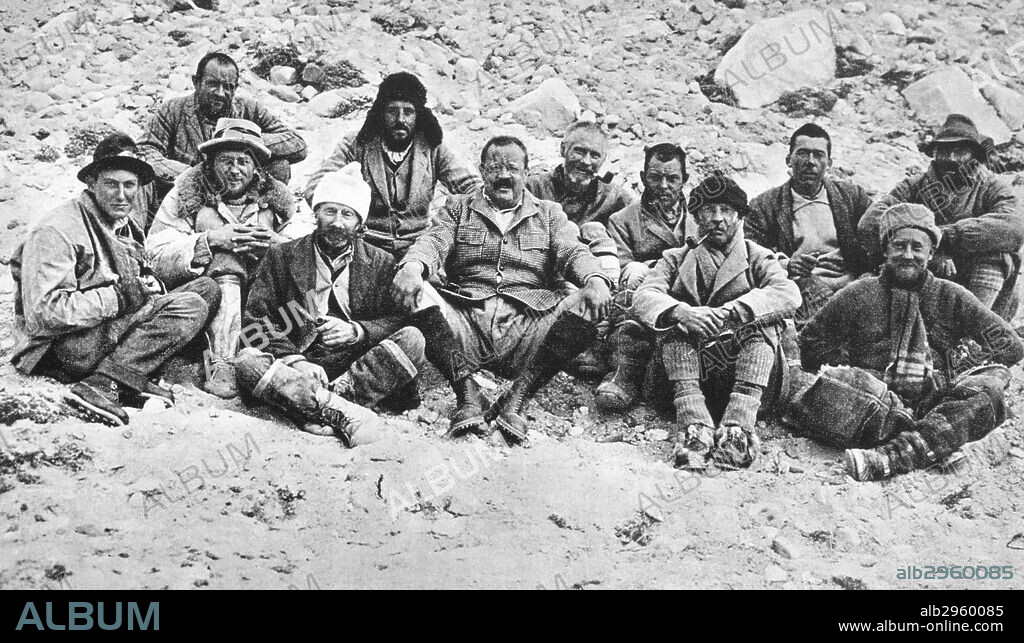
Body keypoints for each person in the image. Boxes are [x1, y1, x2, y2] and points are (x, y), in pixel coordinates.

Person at [233, 163, 487, 444]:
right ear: (316, 214)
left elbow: (398, 319)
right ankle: (338, 411)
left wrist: (358, 331)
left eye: (347, 214)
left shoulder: (380, 262)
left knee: (413, 339)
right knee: (247, 361)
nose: (338, 222)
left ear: (360, 223)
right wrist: (298, 361)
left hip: (354, 365)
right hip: (298, 363)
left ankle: (327, 402)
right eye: (330, 211)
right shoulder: (282, 256)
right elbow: (257, 322)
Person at [391, 135, 613, 445]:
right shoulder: (458, 207)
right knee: (413, 288)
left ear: (526, 172)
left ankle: (519, 396)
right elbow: (433, 242)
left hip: (528, 326)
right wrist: (414, 266)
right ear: (482, 171)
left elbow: (573, 250)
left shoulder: (549, 213)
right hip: (465, 322)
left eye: (512, 168)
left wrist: (595, 279)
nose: (504, 175)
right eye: (495, 168)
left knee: (589, 303)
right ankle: (466, 394)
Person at [794, 203, 1023, 481]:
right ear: (885, 250)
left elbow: (1009, 344)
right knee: (834, 387)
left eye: (917, 247)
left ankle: (889, 457)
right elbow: (810, 343)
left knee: (989, 390)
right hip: (872, 401)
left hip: (932, 398)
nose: (908, 255)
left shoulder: (951, 295)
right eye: (899, 246)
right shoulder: (858, 293)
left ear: (931, 253)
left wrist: (957, 366)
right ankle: (936, 441)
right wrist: (855, 367)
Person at [9, 136, 220, 426]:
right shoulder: (56, 230)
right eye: (111, 184)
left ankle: (126, 377)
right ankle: (102, 383)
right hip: (59, 348)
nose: (122, 195)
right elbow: (44, 314)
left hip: (104, 327)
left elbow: (134, 278)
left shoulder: (125, 224)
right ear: (92, 183)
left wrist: (144, 287)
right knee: (191, 306)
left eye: (129, 185)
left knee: (207, 289)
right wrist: (120, 297)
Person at [632, 172, 801, 470]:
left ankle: (739, 430)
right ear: (696, 217)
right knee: (674, 321)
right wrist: (682, 313)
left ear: (739, 217)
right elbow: (644, 295)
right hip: (686, 377)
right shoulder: (675, 257)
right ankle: (692, 430)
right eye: (709, 210)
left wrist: (735, 311)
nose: (718, 219)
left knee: (766, 320)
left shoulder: (757, 256)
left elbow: (788, 294)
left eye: (726, 210)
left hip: (749, 377)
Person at [147, 118, 305, 399]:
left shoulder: (278, 199)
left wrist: (276, 246)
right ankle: (222, 362)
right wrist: (209, 241)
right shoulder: (187, 192)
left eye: (243, 161)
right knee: (226, 259)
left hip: (262, 309)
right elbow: (156, 251)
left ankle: (271, 358)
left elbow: (306, 251)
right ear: (210, 163)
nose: (235, 171)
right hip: (206, 304)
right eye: (226, 161)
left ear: (256, 166)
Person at [857, 114, 1024, 321]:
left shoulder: (992, 186)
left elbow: (1014, 227)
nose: (952, 158)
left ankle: (973, 332)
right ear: (934, 153)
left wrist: (942, 237)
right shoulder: (913, 186)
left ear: (974, 155)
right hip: (921, 274)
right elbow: (870, 224)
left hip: (974, 281)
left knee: (999, 255)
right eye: (944, 151)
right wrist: (929, 253)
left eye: (960, 151)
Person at [304, 72, 482, 258]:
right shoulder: (356, 144)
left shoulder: (433, 148)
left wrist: (445, 226)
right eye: (392, 111)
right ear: (381, 113)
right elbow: (316, 187)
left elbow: (473, 188)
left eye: (408, 112)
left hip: (417, 247)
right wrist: (348, 218)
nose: (400, 120)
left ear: (418, 116)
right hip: (363, 245)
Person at [745, 123, 873, 324]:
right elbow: (751, 253)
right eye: (803, 153)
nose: (810, 162)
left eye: (818, 155)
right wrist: (787, 264)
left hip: (851, 284)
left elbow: (878, 235)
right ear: (789, 159)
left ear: (829, 162)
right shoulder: (764, 205)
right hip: (799, 288)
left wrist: (867, 276)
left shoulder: (852, 197)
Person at [596, 143, 689, 410]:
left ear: (684, 180)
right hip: (640, 298)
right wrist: (659, 268)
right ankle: (622, 373)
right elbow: (620, 268)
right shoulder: (623, 220)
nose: (663, 185)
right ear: (642, 178)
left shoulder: (699, 216)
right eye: (655, 177)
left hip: (688, 294)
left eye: (672, 178)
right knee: (634, 274)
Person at [138, 52, 307, 197]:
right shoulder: (172, 110)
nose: (220, 93)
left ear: (235, 88)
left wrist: (245, 141)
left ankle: (263, 227)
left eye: (228, 87)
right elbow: (145, 152)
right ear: (196, 82)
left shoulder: (249, 109)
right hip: (188, 194)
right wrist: (192, 175)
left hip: (240, 196)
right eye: (213, 84)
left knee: (280, 166)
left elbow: (297, 144)